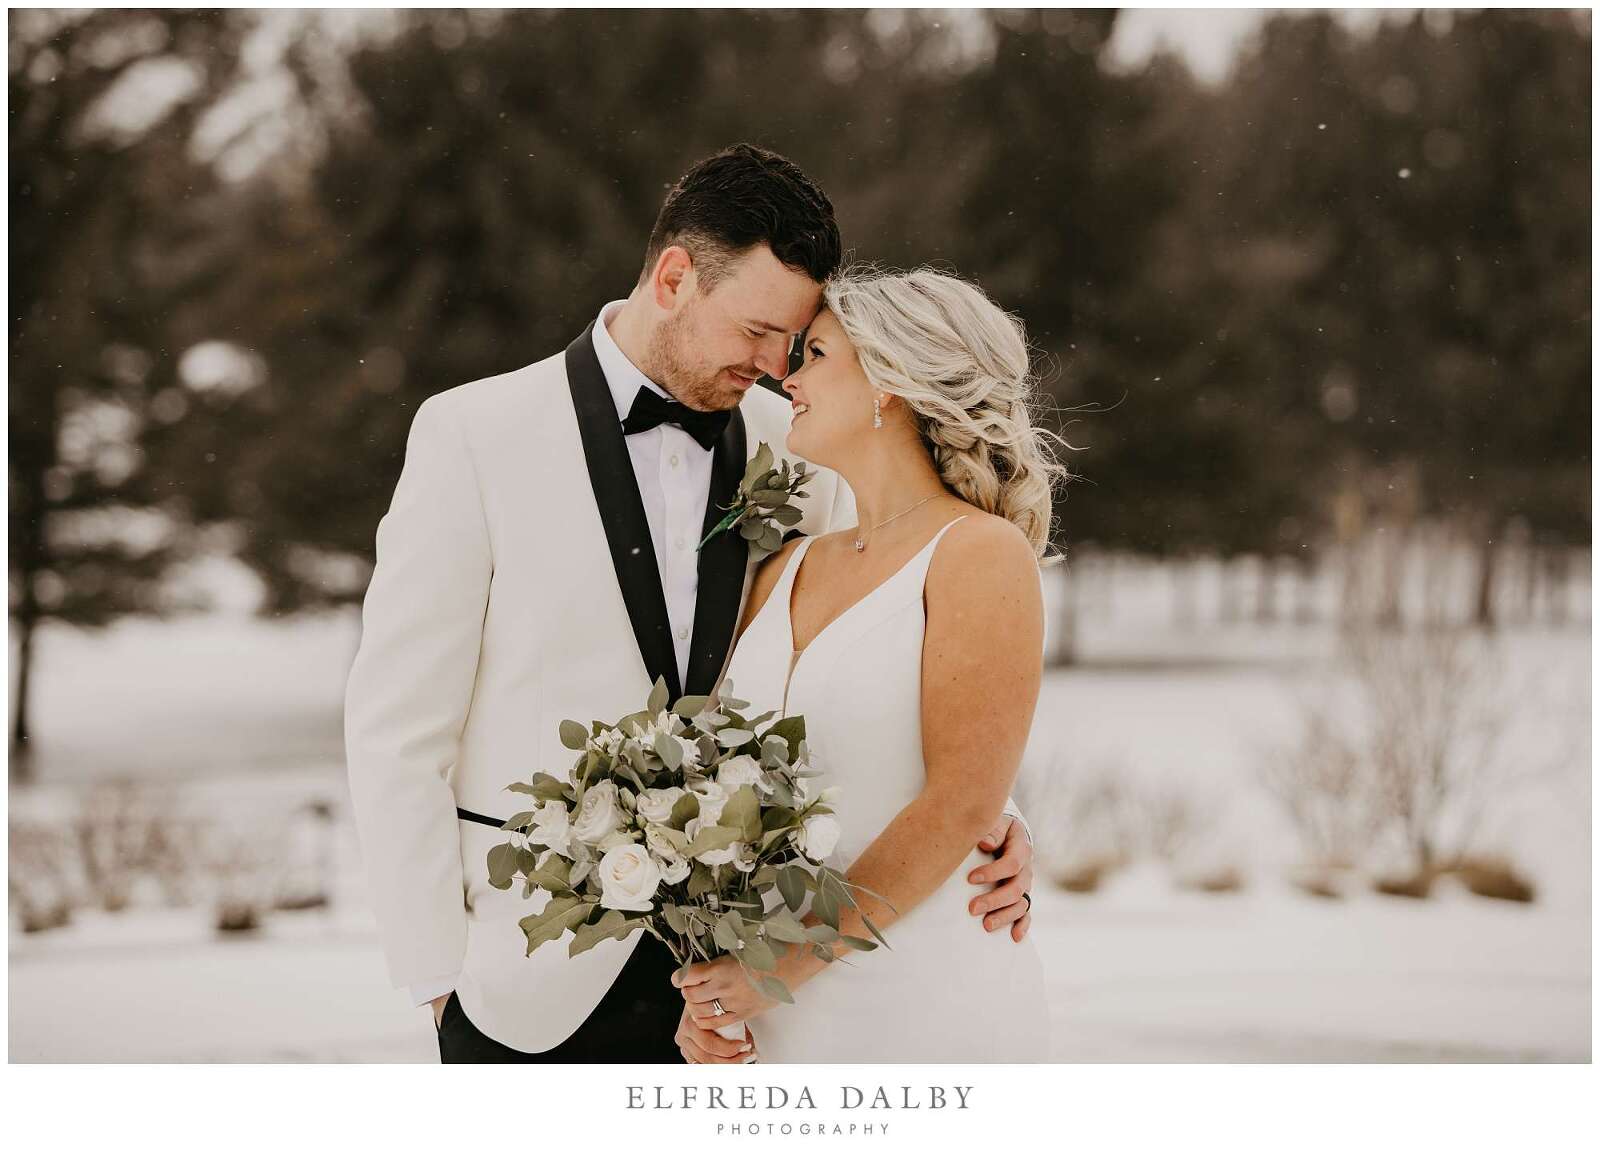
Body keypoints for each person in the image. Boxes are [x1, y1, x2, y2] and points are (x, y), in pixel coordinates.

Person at [344, 145, 1037, 1063]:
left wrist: (991, 821)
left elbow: (869, 665)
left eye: (795, 345)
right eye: (756, 331)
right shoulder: (473, 434)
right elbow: (397, 727)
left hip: (743, 978)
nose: (773, 366)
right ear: (675, 277)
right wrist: (437, 977)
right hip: (529, 973)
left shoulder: (796, 448)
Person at [672, 266, 1061, 1062]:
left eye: (813, 353)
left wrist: (786, 962)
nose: (788, 376)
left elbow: (959, 800)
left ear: (891, 380)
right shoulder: (785, 567)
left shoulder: (979, 555)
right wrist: (712, 995)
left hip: (916, 999)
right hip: (775, 1015)